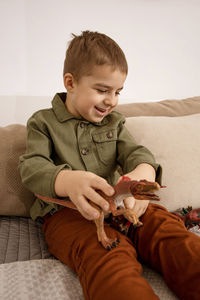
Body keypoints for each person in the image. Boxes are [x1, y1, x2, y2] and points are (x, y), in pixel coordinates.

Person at [19, 31, 200, 300]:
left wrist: (142, 174)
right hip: (67, 215)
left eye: (117, 92)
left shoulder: (115, 123)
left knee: (169, 233)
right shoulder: (43, 122)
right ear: (70, 82)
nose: (111, 100)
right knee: (107, 256)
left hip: (121, 206)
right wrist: (67, 181)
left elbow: (137, 153)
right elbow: (31, 166)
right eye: (102, 90)